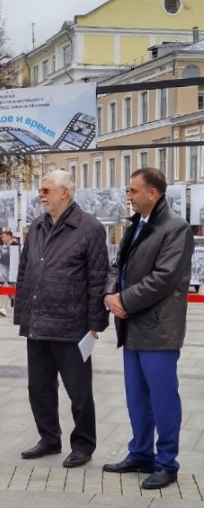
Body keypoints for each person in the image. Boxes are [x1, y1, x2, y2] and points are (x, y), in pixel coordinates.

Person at [102, 168, 194, 490]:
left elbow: (165, 278)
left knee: (163, 399)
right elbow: (118, 265)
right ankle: (140, 453)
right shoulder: (137, 225)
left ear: (152, 193)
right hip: (132, 328)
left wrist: (124, 301)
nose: (128, 197)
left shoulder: (176, 228)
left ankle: (166, 463)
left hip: (158, 329)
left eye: (132, 191)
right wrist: (110, 294)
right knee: (137, 398)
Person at [13, 170, 109, 469]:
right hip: (38, 323)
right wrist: (22, 313)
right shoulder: (37, 226)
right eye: (41, 190)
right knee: (39, 388)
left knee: (78, 391)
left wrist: (95, 322)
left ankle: (83, 445)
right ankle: (49, 438)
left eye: (45, 190)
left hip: (72, 324)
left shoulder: (89, 227)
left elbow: (98, 277)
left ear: (64, 193)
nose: (41, 195)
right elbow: (25, 271)